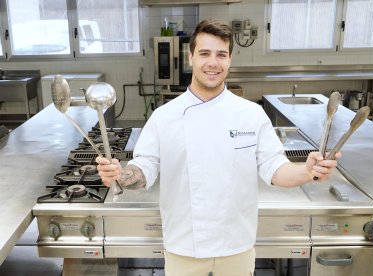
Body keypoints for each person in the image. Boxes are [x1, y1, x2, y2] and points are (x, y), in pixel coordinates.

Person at [96, 19, 340, 276]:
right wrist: (121, 175)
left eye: (221, 54)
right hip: (183, 245)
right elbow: (145, 168)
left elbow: (275, 168)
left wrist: (307, 171)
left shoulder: (251, 114)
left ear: (230, 60)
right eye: (204, 53)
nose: (213, 62)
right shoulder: (164, 116)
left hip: (236, 245)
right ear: (191, 58)